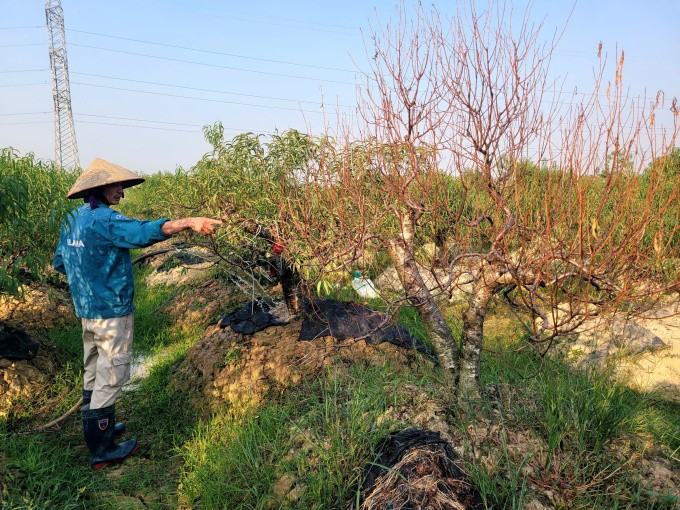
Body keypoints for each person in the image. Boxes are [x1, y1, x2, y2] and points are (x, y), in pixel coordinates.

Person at [53, 158, 221, 469]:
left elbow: (60, 262)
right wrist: (186, 222)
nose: (122, 192)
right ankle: (102, 450)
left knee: (93, 371)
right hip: (111, 314)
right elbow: (145, 232)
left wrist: (91, 274)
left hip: (87, 313)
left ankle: (97, 430)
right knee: (112, 375)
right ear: (100, 188)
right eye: (117, 185)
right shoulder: (106, 220)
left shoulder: (73, 219)